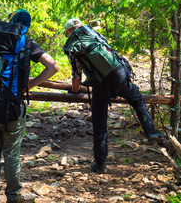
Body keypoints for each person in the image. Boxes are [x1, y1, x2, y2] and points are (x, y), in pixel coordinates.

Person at [63, 18, 164, 174]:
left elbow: (76, 76)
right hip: (119, 76)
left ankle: (100, 164)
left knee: (99, 123)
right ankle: (151, 131)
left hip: (101, 85)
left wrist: (76, 90)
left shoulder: (73, 47)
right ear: (80, 27)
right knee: (137, 100)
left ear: (69, 31)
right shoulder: (94, 34)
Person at [0, 10, 59, 203]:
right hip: (11, 108)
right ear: (27, 26)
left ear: (11, 21)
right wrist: (29, 86)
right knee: (11, 155)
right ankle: (13, 198)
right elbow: (53, 67)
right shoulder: (27, 43)